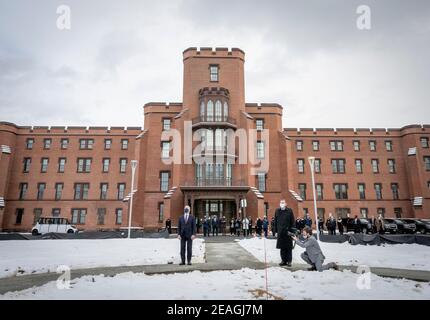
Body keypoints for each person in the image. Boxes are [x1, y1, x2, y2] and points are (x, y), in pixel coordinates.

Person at [273, 199, 295, 267]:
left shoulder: (289, 211)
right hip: (280, 232)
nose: (282, 203)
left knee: (288, 248)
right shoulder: (277, 211)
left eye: (283, 202)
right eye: (281, 202)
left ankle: (289, 261)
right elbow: (275, 222)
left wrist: (292, 232)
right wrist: (275, 231)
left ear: (286, 204)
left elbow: (292, 222)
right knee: (282, 247)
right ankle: (283, 261)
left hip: (288, 232)